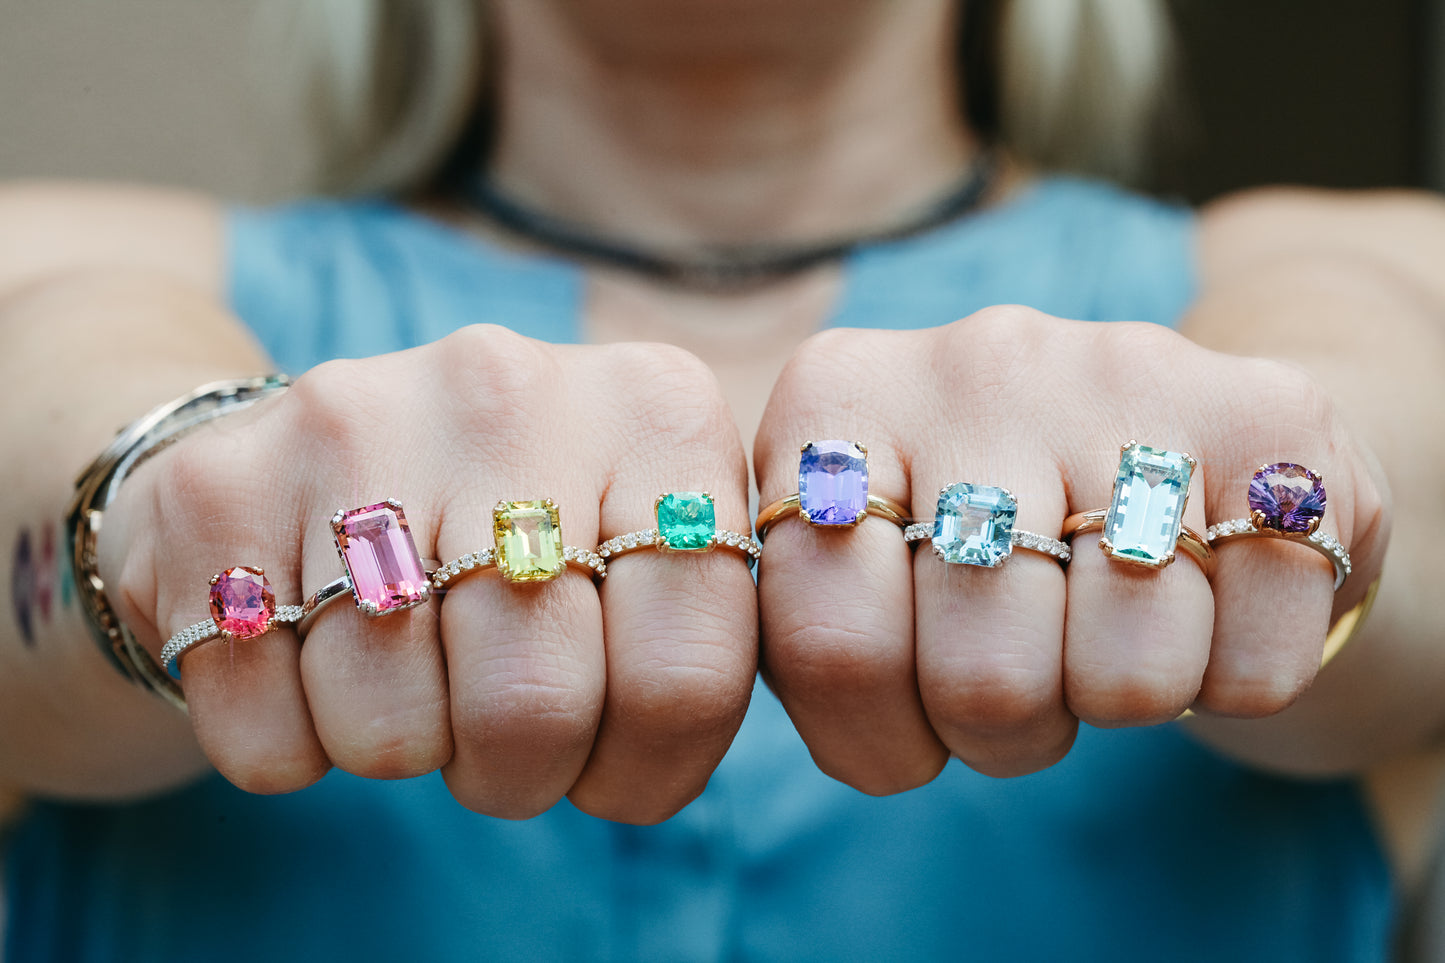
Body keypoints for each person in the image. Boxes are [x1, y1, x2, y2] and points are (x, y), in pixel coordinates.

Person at [2, 0, 1443, 959]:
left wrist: (1288, 480)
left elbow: (1386, 482)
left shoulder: (1355, 273)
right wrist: (158, 500)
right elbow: (56, 414)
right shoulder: (61, 258)